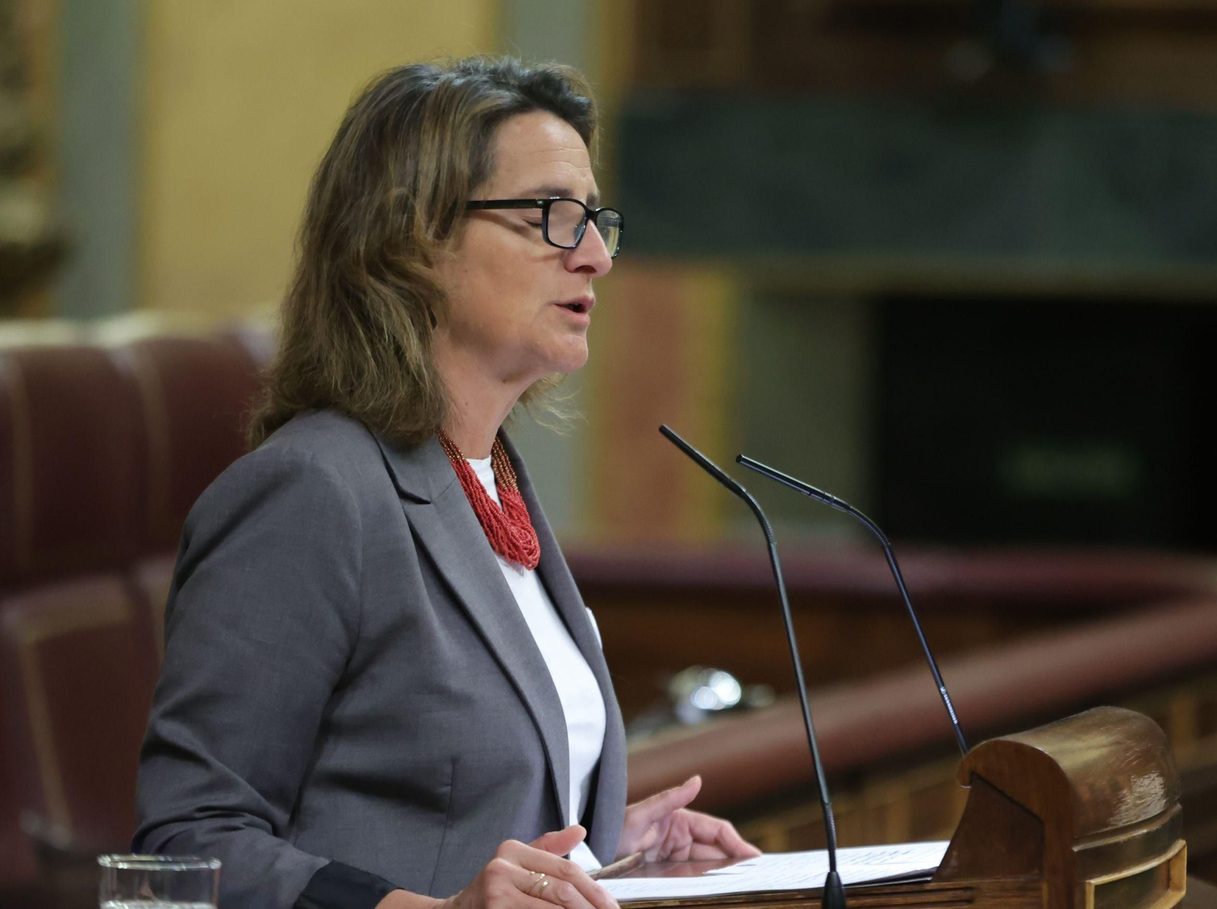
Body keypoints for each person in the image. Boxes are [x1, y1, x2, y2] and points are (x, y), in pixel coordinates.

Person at [134, 57, 760, 909]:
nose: (594, 259)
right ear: (413, 239)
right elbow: (188, 847)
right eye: (552, 216)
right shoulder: (312, 491)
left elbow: (461, 815)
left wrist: (608, 850)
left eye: (596, 220)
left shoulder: (493, 478)